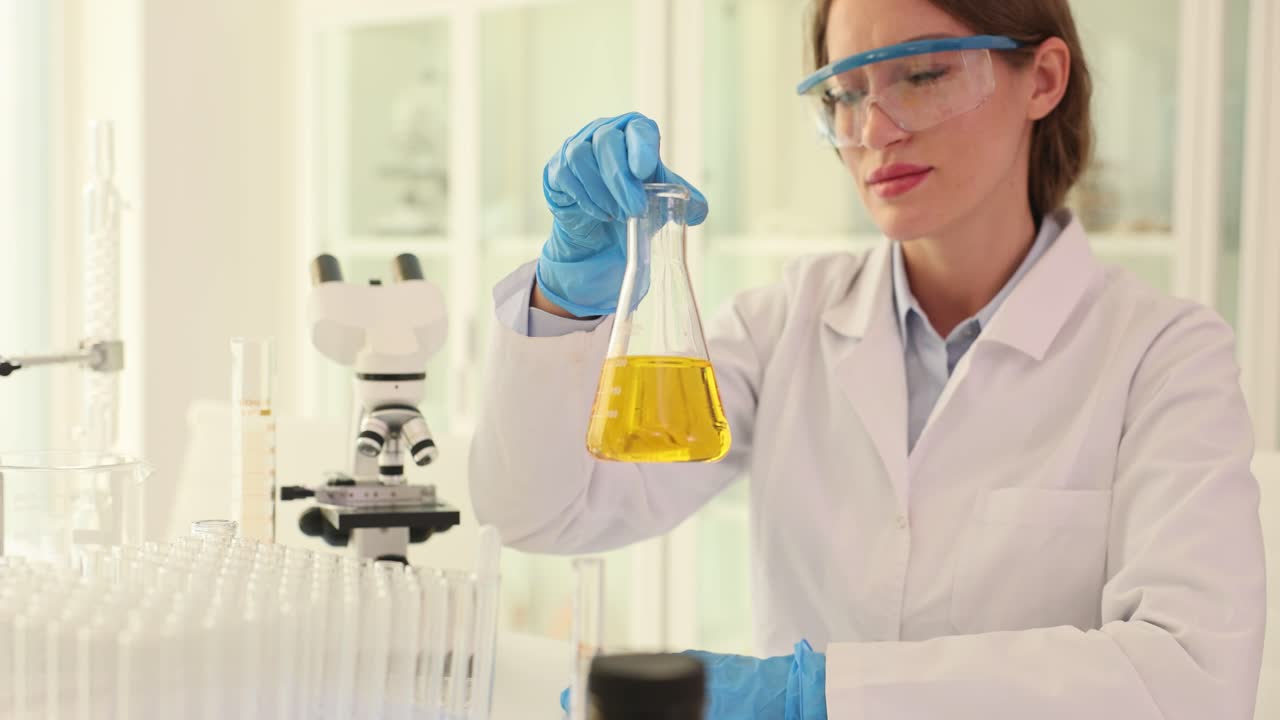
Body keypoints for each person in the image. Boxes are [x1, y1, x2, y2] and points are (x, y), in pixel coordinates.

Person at [469, 0, 1266, 717]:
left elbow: (1192, 677)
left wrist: (821, 696)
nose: (876, 131)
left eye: (922, 76)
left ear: (1044, 79)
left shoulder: (1163, 356)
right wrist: (565, 303)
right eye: (845, 94)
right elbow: (542, 513)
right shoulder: (787, 323)